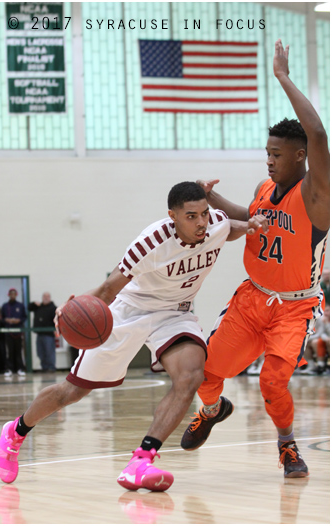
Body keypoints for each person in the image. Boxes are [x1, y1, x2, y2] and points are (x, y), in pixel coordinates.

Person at [0, 181, 268, 489]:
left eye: (204, 213)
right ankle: (15, 432)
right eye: (191, 216)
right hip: (130, 310)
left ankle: (141, 461)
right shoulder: (150, 243)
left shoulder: (214, 223)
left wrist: (248, 225)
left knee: (190, 376)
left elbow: (226, 228)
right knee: (73, 390)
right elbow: (109, 289)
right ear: (172, 216)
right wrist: (70, 309)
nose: (201, 222)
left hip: (175, 313)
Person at [181, 39, 330, 479]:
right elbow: (253, 217)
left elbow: (319, 134)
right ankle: (211, 410)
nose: (268, 161)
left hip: (293, 307)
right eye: (266, 152)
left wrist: (282, 77)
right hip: (252, 299)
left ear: (301, 156)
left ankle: (286, 446)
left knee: (271, 382)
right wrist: (212, 197)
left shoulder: (317, 196)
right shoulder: (267, 189)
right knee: (208, 372)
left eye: (277, 154)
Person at [1, 288, 27, 377]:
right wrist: (7, 320)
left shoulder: (20, 305)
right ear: (9, 295)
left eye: (14, 294)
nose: (12, 295)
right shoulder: (5, 306)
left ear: (16, 295)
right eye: (11, 294)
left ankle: (20, 368)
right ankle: (9, 369)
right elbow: (2, 318)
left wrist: (18, 320)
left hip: (18, 332)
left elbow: (24, 317)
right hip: (9, 332)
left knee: (19, 350)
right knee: (9, 351)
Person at [28, 292, 57, 372]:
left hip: (48, 334)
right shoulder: (38, 307)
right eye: (44, 296)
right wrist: (34, 303)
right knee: (40, 352)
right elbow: (29, 307)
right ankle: (44, 367)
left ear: (50, 297)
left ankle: (51, 367)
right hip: (39, 333)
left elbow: (56, 320)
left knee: (49, 352)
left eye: (47, 296)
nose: (46, 298)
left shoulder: (53, 308)